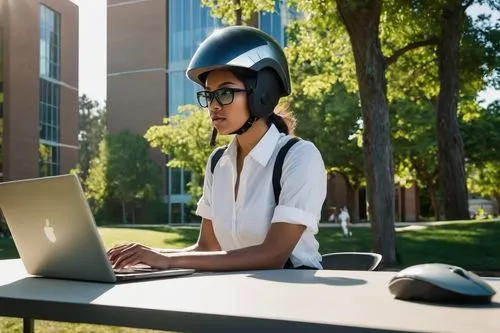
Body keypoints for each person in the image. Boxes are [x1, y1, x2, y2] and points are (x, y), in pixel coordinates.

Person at [108, 26, 327, 271]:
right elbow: (207, 248)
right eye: (208, 95)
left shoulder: (299, 157)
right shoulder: (218, 162)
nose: (213, 106)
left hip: (294, 296)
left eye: (224, 93)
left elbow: (273, 255)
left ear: (262, 93)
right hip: (236, 293)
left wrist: (167, 260)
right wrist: (144, 256)